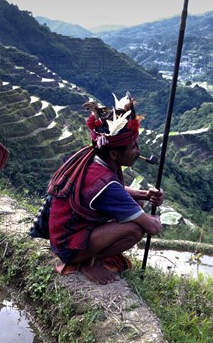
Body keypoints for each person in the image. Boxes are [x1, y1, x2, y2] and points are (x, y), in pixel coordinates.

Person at [46, 93, 164, 285]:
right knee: (135, 230)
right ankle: (89, 263)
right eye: (132, 146)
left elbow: (114, 191)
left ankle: (92, 253)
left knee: (136, 202)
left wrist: (145, 194)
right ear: (115, 154)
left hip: (65, 233)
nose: (138, 151)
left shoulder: (95, 158)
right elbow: (153, 228)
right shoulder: (104, 181)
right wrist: (156, 216)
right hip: (68, 247)